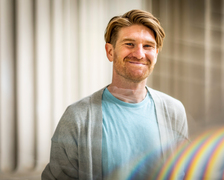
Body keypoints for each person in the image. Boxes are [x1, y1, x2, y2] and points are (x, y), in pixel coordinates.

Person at [42, 9, 188, 180]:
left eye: (148, 46)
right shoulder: (78, 118)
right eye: (129, 44)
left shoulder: (174, 111)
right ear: (110, 52)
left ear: (155, 54)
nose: (139, 54)